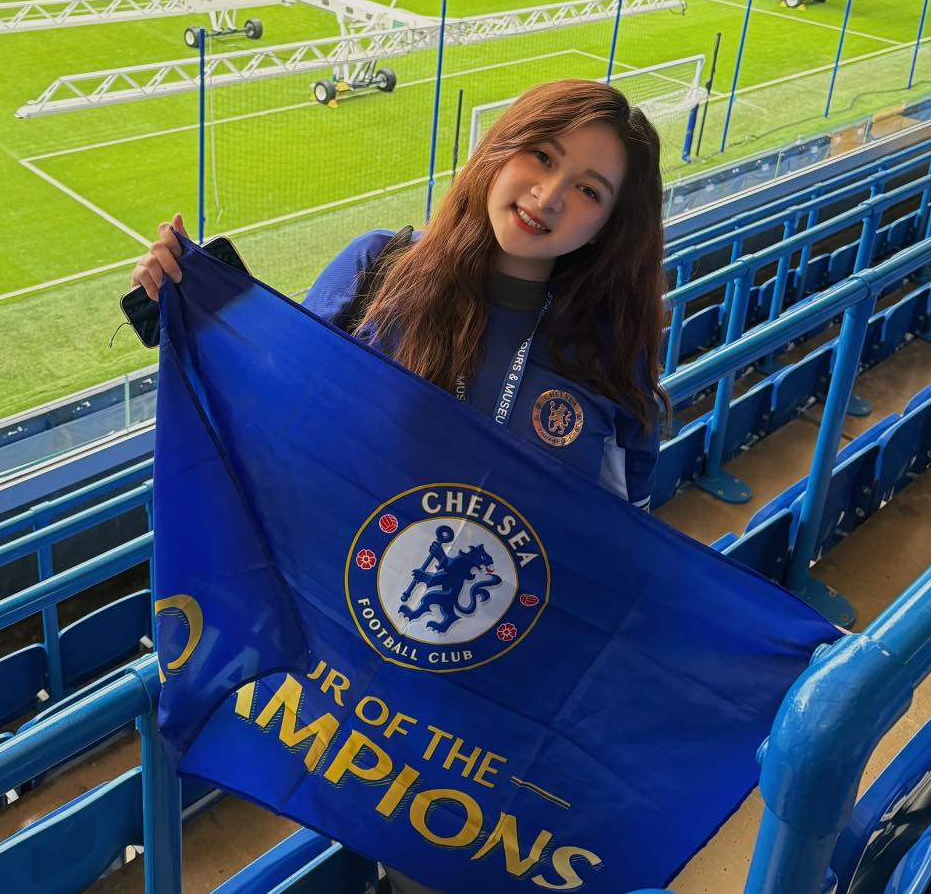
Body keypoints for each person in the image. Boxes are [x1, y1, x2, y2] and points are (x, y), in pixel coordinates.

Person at [132, 78, 667, 894]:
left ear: (610, 223)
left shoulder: (604, 359)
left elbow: (626, 557)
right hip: (351, 674)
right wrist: (200, 315)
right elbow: (282, 420)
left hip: (491, 707)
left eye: (589, 190)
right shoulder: (380, 268)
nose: (550, 196)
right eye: (541, 156)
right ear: (499, 150)